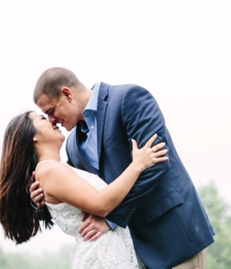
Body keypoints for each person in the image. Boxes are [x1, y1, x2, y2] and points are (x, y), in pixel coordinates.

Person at [30, 68, 214, 269]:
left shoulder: (129, 98)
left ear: (67, 94)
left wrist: (111, 219)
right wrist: (40, 198)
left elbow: (156, 164)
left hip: (172, 239)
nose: (52, 120)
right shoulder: (73, 145)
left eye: (50, 111)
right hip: (130, 255)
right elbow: (72, 193)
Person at [0, 110, 168, 269]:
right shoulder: (49, 171)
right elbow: (101, 204)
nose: (52, 121)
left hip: (110, 254)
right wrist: (137, 165)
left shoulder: (58, 169)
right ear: (32, 136)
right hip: (102, 258)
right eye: (42, 118)